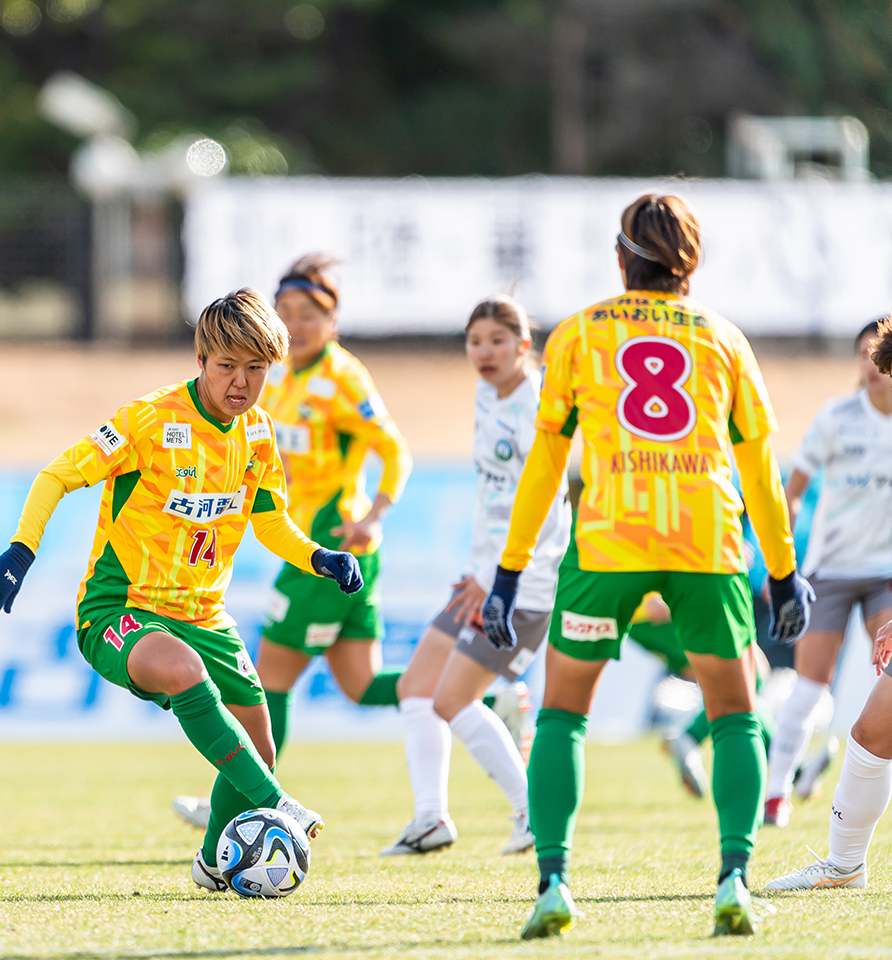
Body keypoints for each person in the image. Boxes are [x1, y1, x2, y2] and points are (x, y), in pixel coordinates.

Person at [481, 193, 812, 939]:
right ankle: (734, 878)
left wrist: (508, 572)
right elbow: (760, 472)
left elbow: (544, 467)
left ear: (620, 257)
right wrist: (783, 571)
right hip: (706, 545)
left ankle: (554, 884)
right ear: (691, 262)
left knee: (562, 713)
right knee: (736, 713)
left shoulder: (578, 334)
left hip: (608, 545)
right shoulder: (723, 338)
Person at [0, 289, 364, 893]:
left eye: (256, 368)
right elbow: (56, 475)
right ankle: (280, 805)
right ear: (201, 359)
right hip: (120, 610)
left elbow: (270, 520)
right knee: (181, 671)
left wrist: (318, 557)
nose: (241, 382)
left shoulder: (259, 433)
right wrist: (21, 551)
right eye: (227, 365)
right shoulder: (149, 420)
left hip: (205, 616)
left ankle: (213, 864)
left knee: (259, 742)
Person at [170, 255, 411, 831]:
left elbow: (394, 449)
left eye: (310, 313)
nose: (297, 325)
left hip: (328, 544)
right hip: (305, 543)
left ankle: (242, 799)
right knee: (361, 685)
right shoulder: (272, 374)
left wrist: (374, 514)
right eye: (287, 312)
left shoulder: (343, 377)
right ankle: (479, 697)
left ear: (333, 321)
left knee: (267, 682)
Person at [383, 295, 570, 858]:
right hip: (485, 576)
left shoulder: (537, 406)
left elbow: (546, 506)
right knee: (415, 688)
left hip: (521, 585)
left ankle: (533, 815)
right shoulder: (488, 394)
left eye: (497, 341)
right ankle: (430, 819)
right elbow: (497, 495)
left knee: (451, 701)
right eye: (475, 342)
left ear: (523, 346)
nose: (484, 353)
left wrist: (496, 577)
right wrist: (479, 571)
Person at [767, 317, 892, 891]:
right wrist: (783, 563)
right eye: (867, 354)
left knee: (876, 713)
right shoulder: (837, 417)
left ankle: (844, 862)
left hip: (886, 576)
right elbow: (790, 492)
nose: (873, 366)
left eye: (880, 355)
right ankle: (778, 795)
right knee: (820, 692)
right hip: (832, 572)